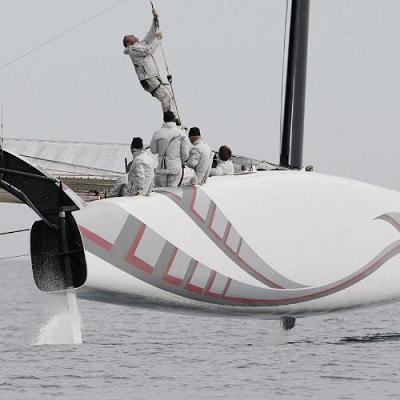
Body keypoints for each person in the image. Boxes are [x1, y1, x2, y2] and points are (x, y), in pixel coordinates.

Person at [123, 8, 175, 115]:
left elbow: (151, 33)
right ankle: (169, 120)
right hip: (148, 79)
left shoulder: (140, 45)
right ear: (128, 42)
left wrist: (155, 18)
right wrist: (158, 39)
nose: (133, 34)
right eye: (130, 36)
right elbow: (149, 50)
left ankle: (173, 119)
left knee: (169, 95)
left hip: (153, 77)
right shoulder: (133, 49)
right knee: (165, 96)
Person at [150, 111, 189, 187]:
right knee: (172, 193)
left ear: (164, 119)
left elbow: (153, 150)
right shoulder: (181, 133)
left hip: (162, 168)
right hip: (175, 168)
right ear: (174, 119)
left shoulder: (157, 133)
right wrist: (183, 161)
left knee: (162, 193)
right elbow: (185, 154)